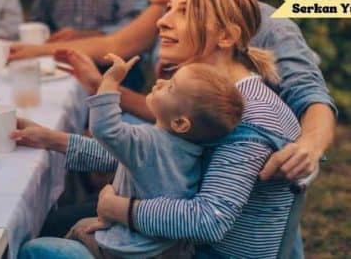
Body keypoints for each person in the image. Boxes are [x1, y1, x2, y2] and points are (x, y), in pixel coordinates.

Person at [11, 0, 336, 184]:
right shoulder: (182, 22)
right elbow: (162, 144)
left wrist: (309, 145)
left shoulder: (271, 28)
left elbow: (311, 96)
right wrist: (56, 136)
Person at [15, 0, 302, 258]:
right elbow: (151, 155)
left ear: (226, 36)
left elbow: (209, 220)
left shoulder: (248, 115)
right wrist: (52, 140)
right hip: (168, 246)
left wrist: (120, 209)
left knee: (36, 244)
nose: (162, 21)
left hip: (196, 252)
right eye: (169, 8)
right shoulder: (205, 98)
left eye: (184, 11)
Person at [66, 59, 244, 259]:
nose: (160, 82)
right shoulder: (195, 150)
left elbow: (104, 129)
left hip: (128, 249)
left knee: (75, 231)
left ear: (179, 123)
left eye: (170, 87)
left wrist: (110, 81)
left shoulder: (147, 141)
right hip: (171, 249)